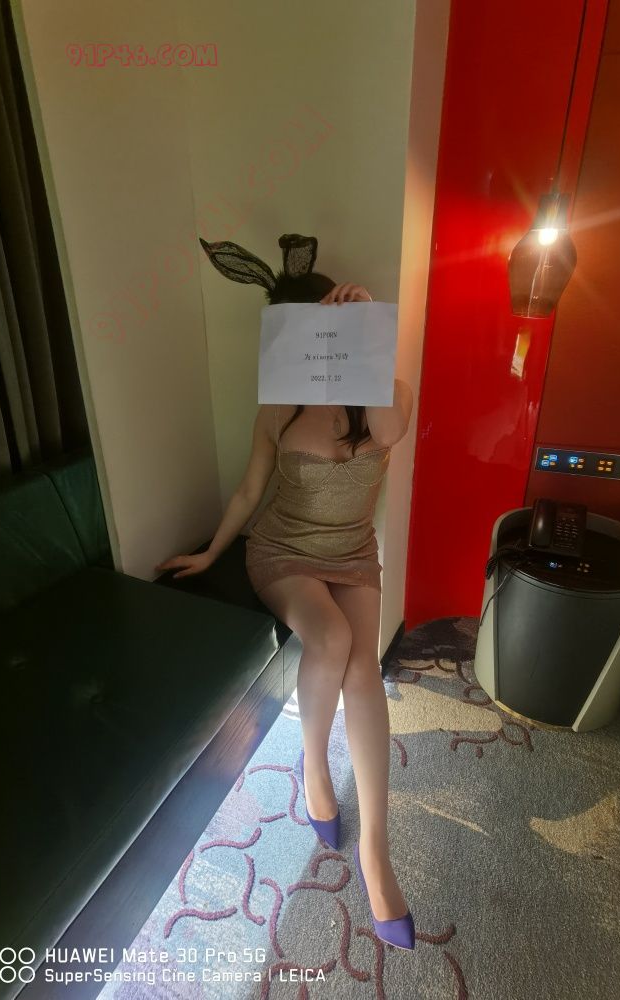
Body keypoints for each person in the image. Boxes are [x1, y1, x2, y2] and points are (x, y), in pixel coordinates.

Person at [156, 234, 415, 949]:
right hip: (282, 551)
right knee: (331, 640)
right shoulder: (278, 405)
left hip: (351, 554)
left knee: (363, 671)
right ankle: (314, 771)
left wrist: (367, 334)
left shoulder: (388, 396)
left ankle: (376, 851)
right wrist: (212, 551)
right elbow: (249, 490)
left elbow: (391, 426)